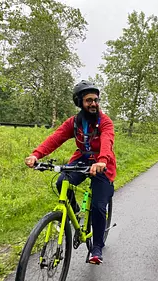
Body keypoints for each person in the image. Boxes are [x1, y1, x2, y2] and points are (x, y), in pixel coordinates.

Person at [24, 80, 116, 265]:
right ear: (79, 102)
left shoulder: (105, 122)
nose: (93, 104)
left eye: (96, 100)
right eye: (89, 100)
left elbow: (107, 141)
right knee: (61, 182)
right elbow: (55, 139)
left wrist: (102, 160)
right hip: (82, 159)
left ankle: (96, 248)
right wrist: (35, 155)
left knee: (98, 207)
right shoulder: (74, 122)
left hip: (102, 164)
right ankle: (74, 211)